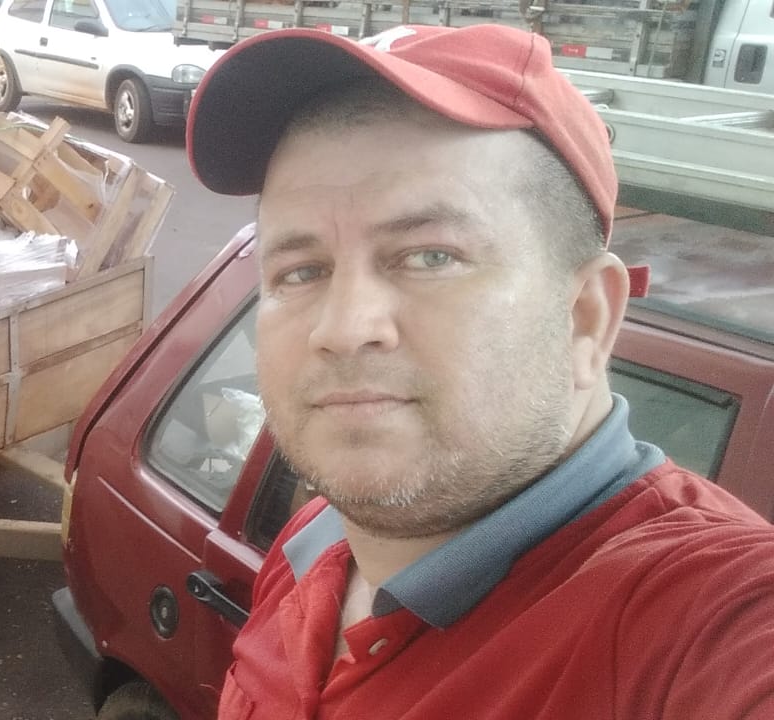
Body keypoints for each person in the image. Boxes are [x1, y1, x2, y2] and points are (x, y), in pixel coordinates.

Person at [184, 23, 774, 719]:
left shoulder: (703, 618)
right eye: (301, 271)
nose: (341, 328)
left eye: (431, 256)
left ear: (586, 317)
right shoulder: (311, 543)